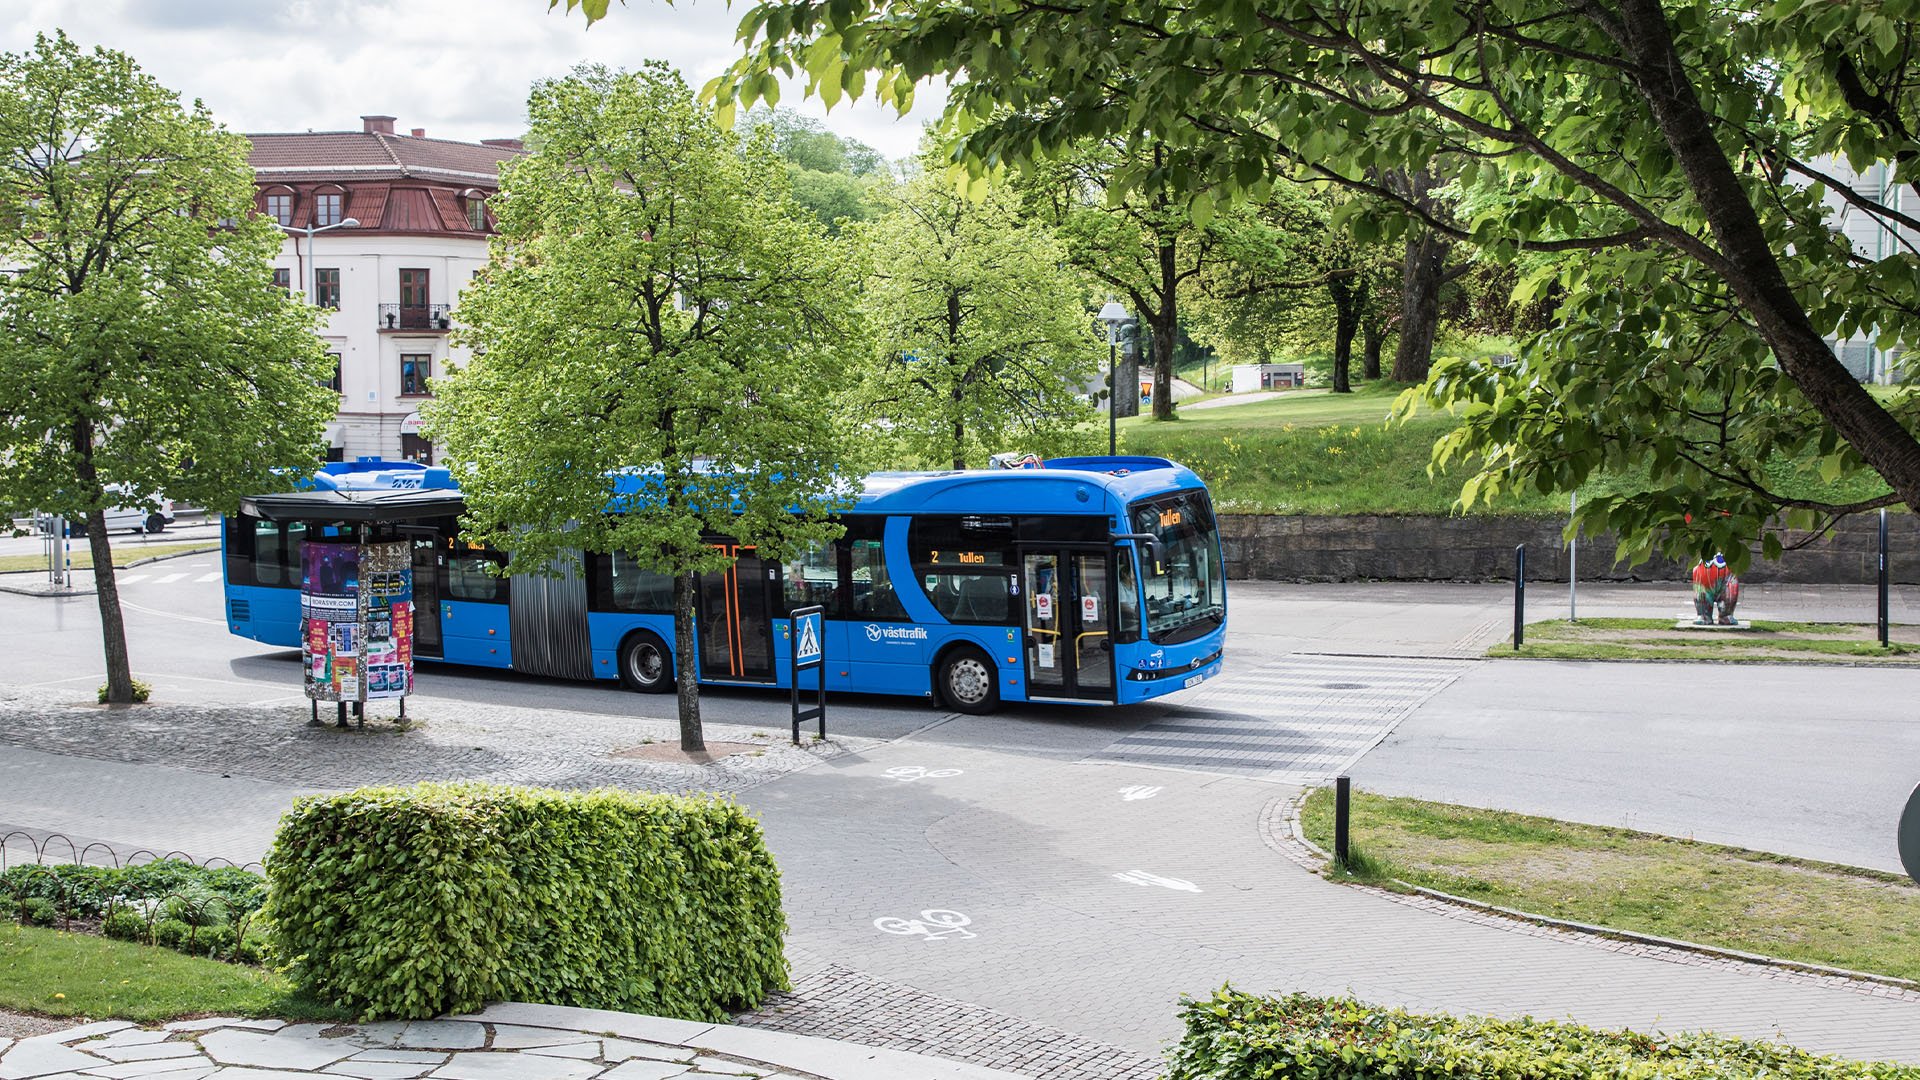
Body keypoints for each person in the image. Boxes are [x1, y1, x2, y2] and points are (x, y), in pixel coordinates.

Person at [1691, 554, 1741, 625]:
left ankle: (1725, 615)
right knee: (1701, 594)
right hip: (1704, 575)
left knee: (1730, 595)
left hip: (1726, 577)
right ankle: (1704, 616)